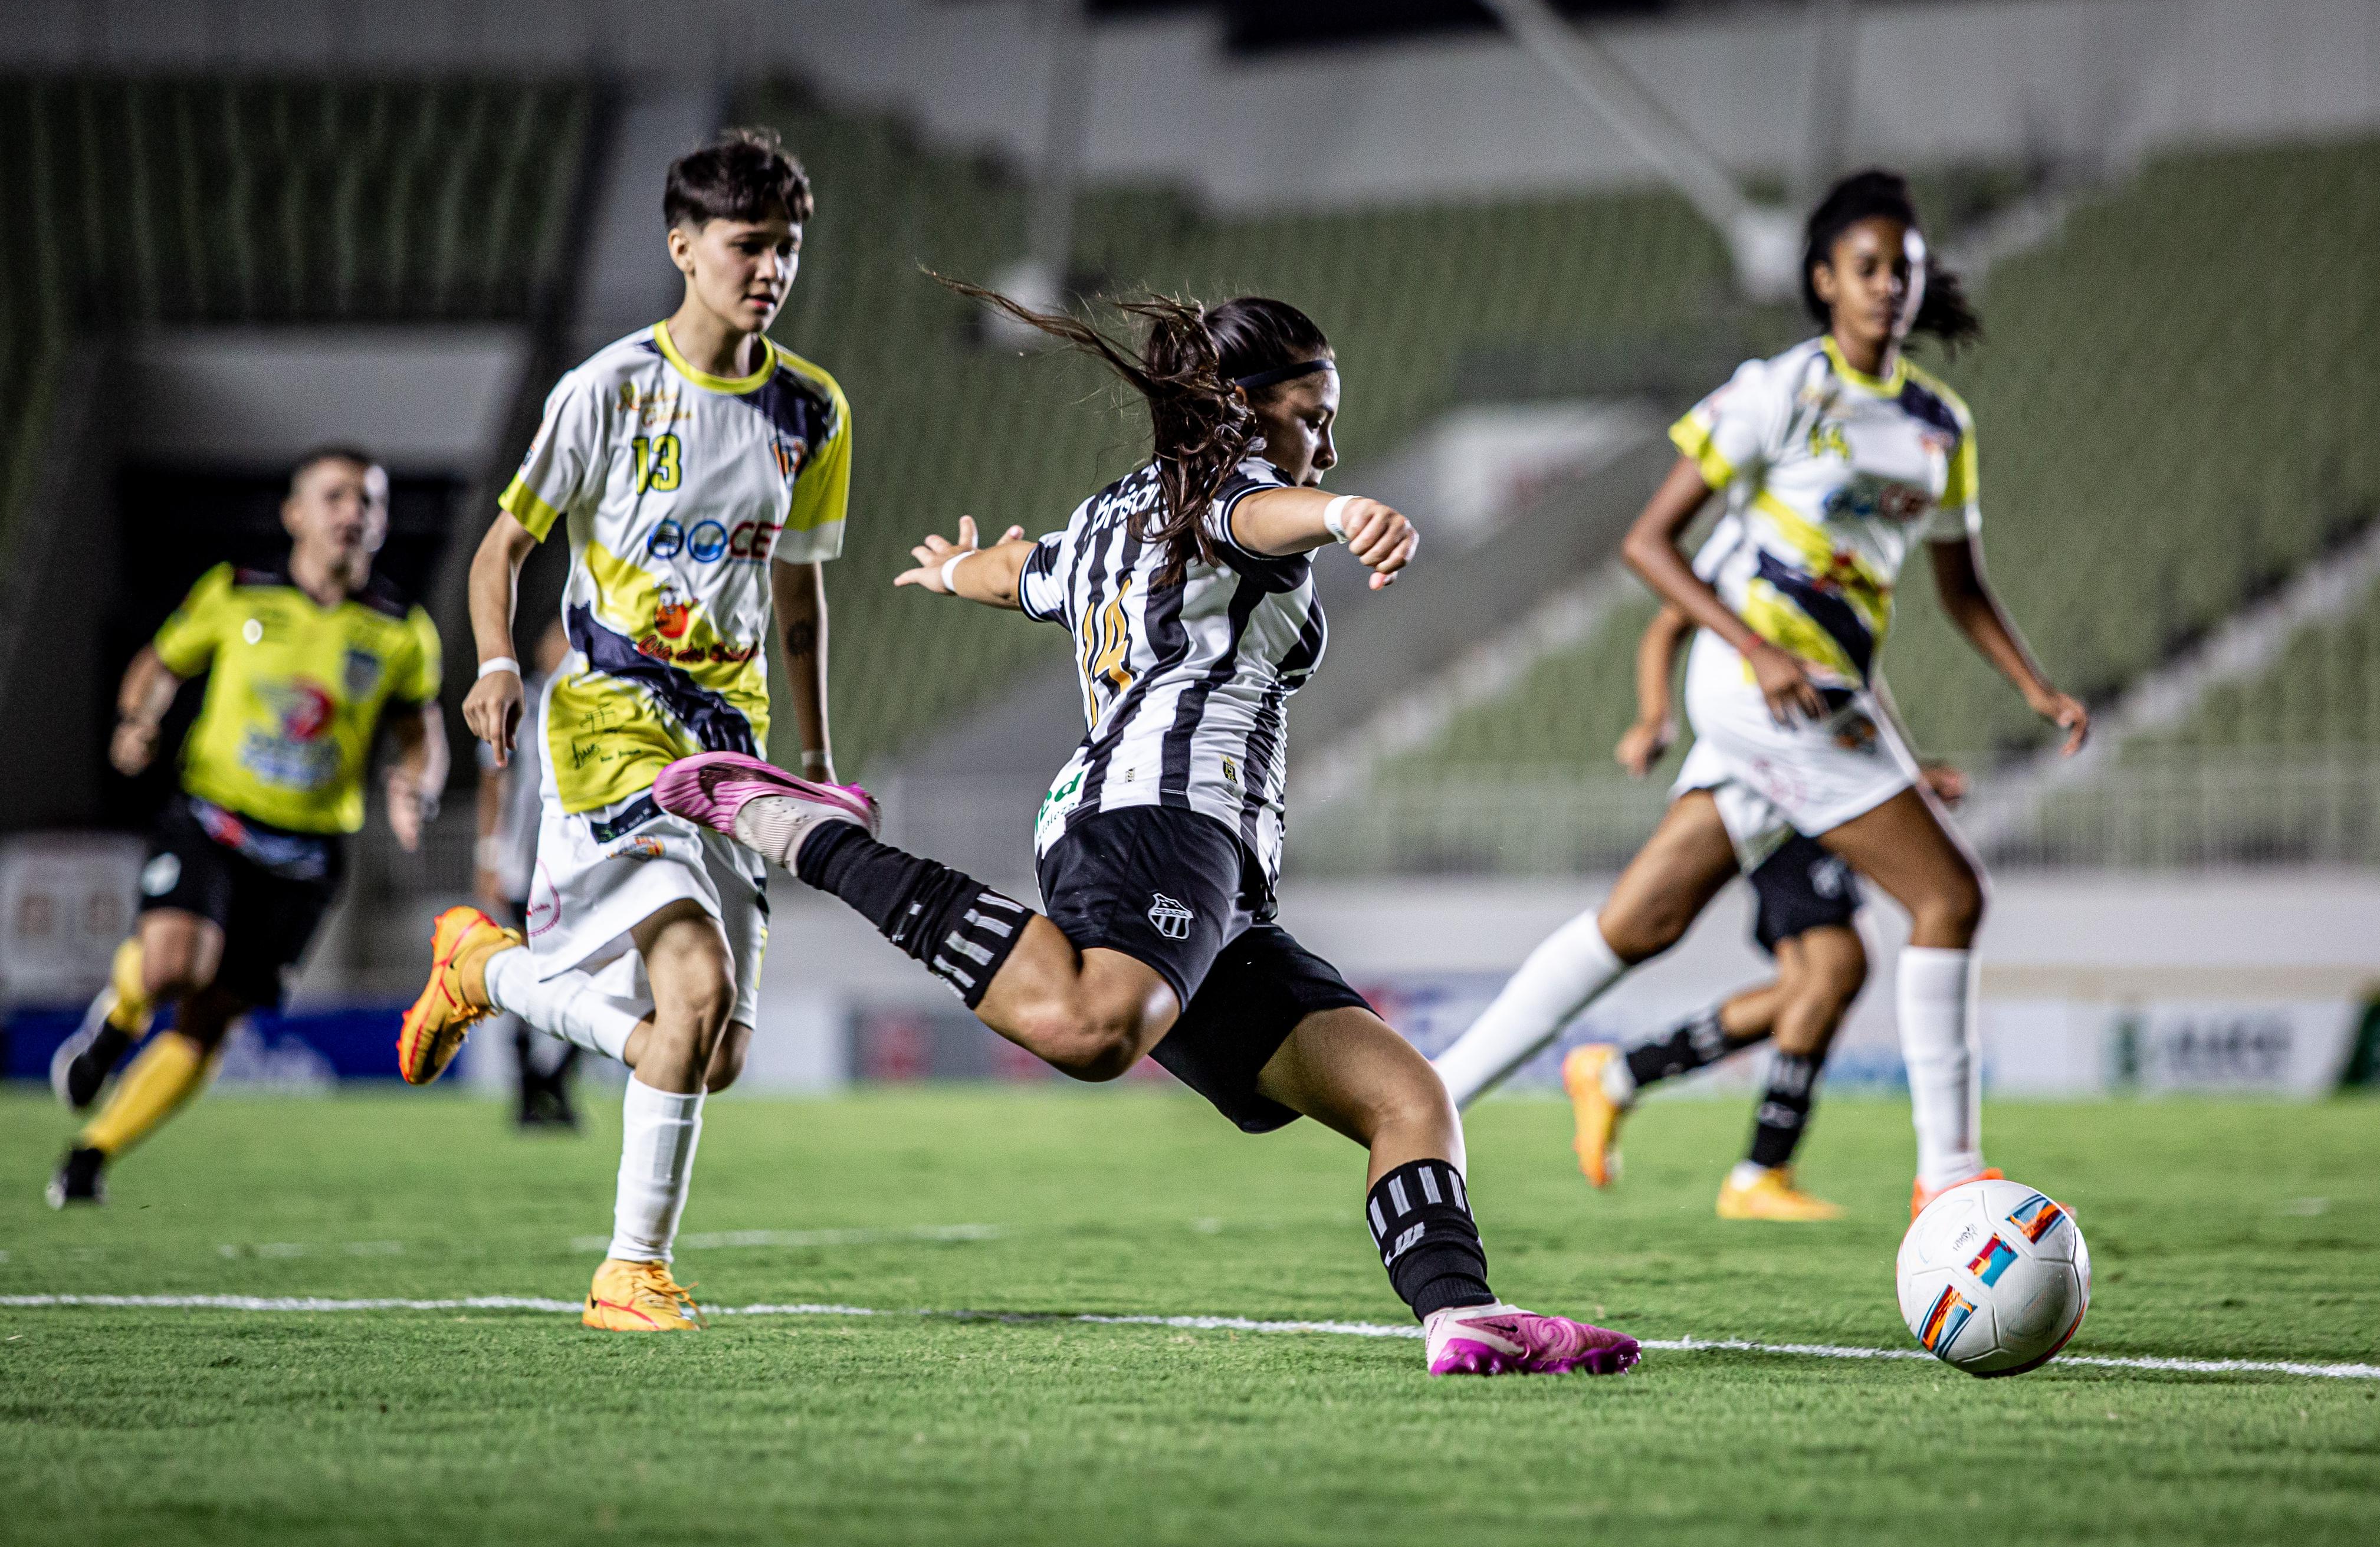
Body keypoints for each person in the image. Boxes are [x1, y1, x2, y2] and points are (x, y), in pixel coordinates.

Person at [650, 282, 1640, 1377]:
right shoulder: (1227, 492)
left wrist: (949, 571)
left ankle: (1464, 1314)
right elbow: (1249, 516)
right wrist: (1339, 511)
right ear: (1240, 410)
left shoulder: (1103, 519)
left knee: (1406, 1096)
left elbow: (1021, 574)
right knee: (1092, 1025)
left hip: (1199, 868)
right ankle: (799, 830)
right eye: (1311, 413)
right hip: (1161, 816)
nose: (1326, 439)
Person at [1433, 169, 2087, 1220]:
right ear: (1824, 279)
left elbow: (1959, 589)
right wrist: (1757, 649)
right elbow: (1649, 545)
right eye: (1867, 267)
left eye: (1904, 267)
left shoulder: (1938, 426)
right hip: (1754, 682)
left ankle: (1433, 1097)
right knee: (1949, 897)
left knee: (1638, 921)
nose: (1889, 285)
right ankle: (1952, 1176)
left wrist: (2032, 687)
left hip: (1821, 698)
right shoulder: (1778, 389)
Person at [395, 129, 853, 1331]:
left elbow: (797, 595)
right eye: (750, 246)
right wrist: (497, 661)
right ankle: (627, 1273)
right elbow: (506, 550)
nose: (770, 270)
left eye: (787, 249)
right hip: (612, 716)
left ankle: (483, 969)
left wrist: (812, 759)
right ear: (683, 246)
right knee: (690, 987)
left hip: (735, 736)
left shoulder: (811, 410)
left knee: (715, 1050)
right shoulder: (607, 391)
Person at [46, 449, 446, 1206]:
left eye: (367, 500)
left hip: (307, 851)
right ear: (297, 514)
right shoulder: (237, 593)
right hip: (214, 816)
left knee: (212, 1018)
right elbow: (161, 663)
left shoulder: (401, 630)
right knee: (173, 966)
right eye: (334, 497)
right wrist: (138, 719)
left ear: (384, 521)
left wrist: (413, 786)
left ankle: (93, 1153)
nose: (351, 513)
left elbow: (419, 728)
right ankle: (116, 1020)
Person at [1555, 601, 1967, 1220]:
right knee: (1834, 969)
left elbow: (1854, 683)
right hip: (1777, 775)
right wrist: (1653, 716)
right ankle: (1756, 1171)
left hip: (1828, 772)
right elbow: (1670, 619)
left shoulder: (1839, 568)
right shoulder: (1768, 543)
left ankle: (1619, 1076)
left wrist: (1899, 773)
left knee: (1814, 983)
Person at [473, 616, 580, 1128]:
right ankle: (527, 1095)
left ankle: (554, 1082)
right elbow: (494, 784)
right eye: (552, 640)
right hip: (524, 868)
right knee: (523, 978)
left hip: (578, 874)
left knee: (592, 979)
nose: (558, 650)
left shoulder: (591, 705)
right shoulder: (522, 705)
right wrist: (489, 857)